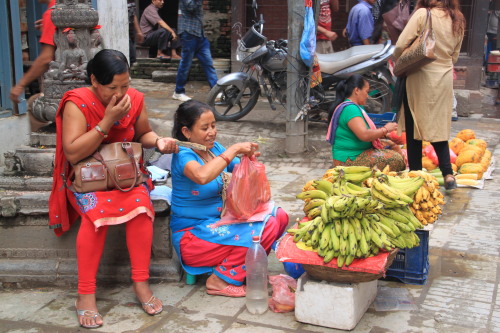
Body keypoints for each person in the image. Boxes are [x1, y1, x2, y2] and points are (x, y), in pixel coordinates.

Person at [48, 49, 180, 328]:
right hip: (89, 179)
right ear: (94, 80)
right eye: (112, 88)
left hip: (126, 176)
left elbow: (142, 133)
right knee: (97, 219)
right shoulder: (78, 102)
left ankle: (140, 283)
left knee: (143, 210)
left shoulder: (134, 99)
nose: (120, 93)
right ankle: (85, 295)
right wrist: (107, 121)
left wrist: (158, 142)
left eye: (125, 85)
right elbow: (72, 153)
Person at [170, 100, 289, 297]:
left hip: (218, 227)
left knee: (280, 216)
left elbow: (239, 168)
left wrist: (248, 159)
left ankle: (248, 268)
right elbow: (202, 175)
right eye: (205, 128)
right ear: (186, 132)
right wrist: (232, 150)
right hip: (192, 238)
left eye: (214, 125)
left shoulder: (214, 148)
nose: (212, 132)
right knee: (265, 227)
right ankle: (220, 280)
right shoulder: (183, 154)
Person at [394, 0, 465, 190]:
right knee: (439, 126)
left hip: (419, 76)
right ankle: (448, 174)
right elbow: (455, 55)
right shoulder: (457, 18)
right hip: (443, 79)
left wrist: (400, 58)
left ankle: (416, 174)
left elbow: (401, 45)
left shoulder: (423, 14)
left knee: (414, 125)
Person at [326, 74, 406, 171]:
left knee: (392, 146)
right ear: (356, 90)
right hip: (349, 159)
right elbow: (364, 135)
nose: (367, 96)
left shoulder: (354, 107)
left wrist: (386, 135)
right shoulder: (350, 109)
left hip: (357, 153)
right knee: (395, 159)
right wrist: (385, 129)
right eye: (366, 92)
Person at [172, 0, 218, 102]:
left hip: (199, 34)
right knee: (185, 64)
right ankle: (178, 92)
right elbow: (190, 7)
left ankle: (216, 90)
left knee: (208, 63)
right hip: (188, 32)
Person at [128, 0, 144, 65]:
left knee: (132, 58)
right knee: (131, 57)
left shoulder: (131, 2)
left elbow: (133, 16)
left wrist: (139, 32)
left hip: (130, 33)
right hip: (123, 33)